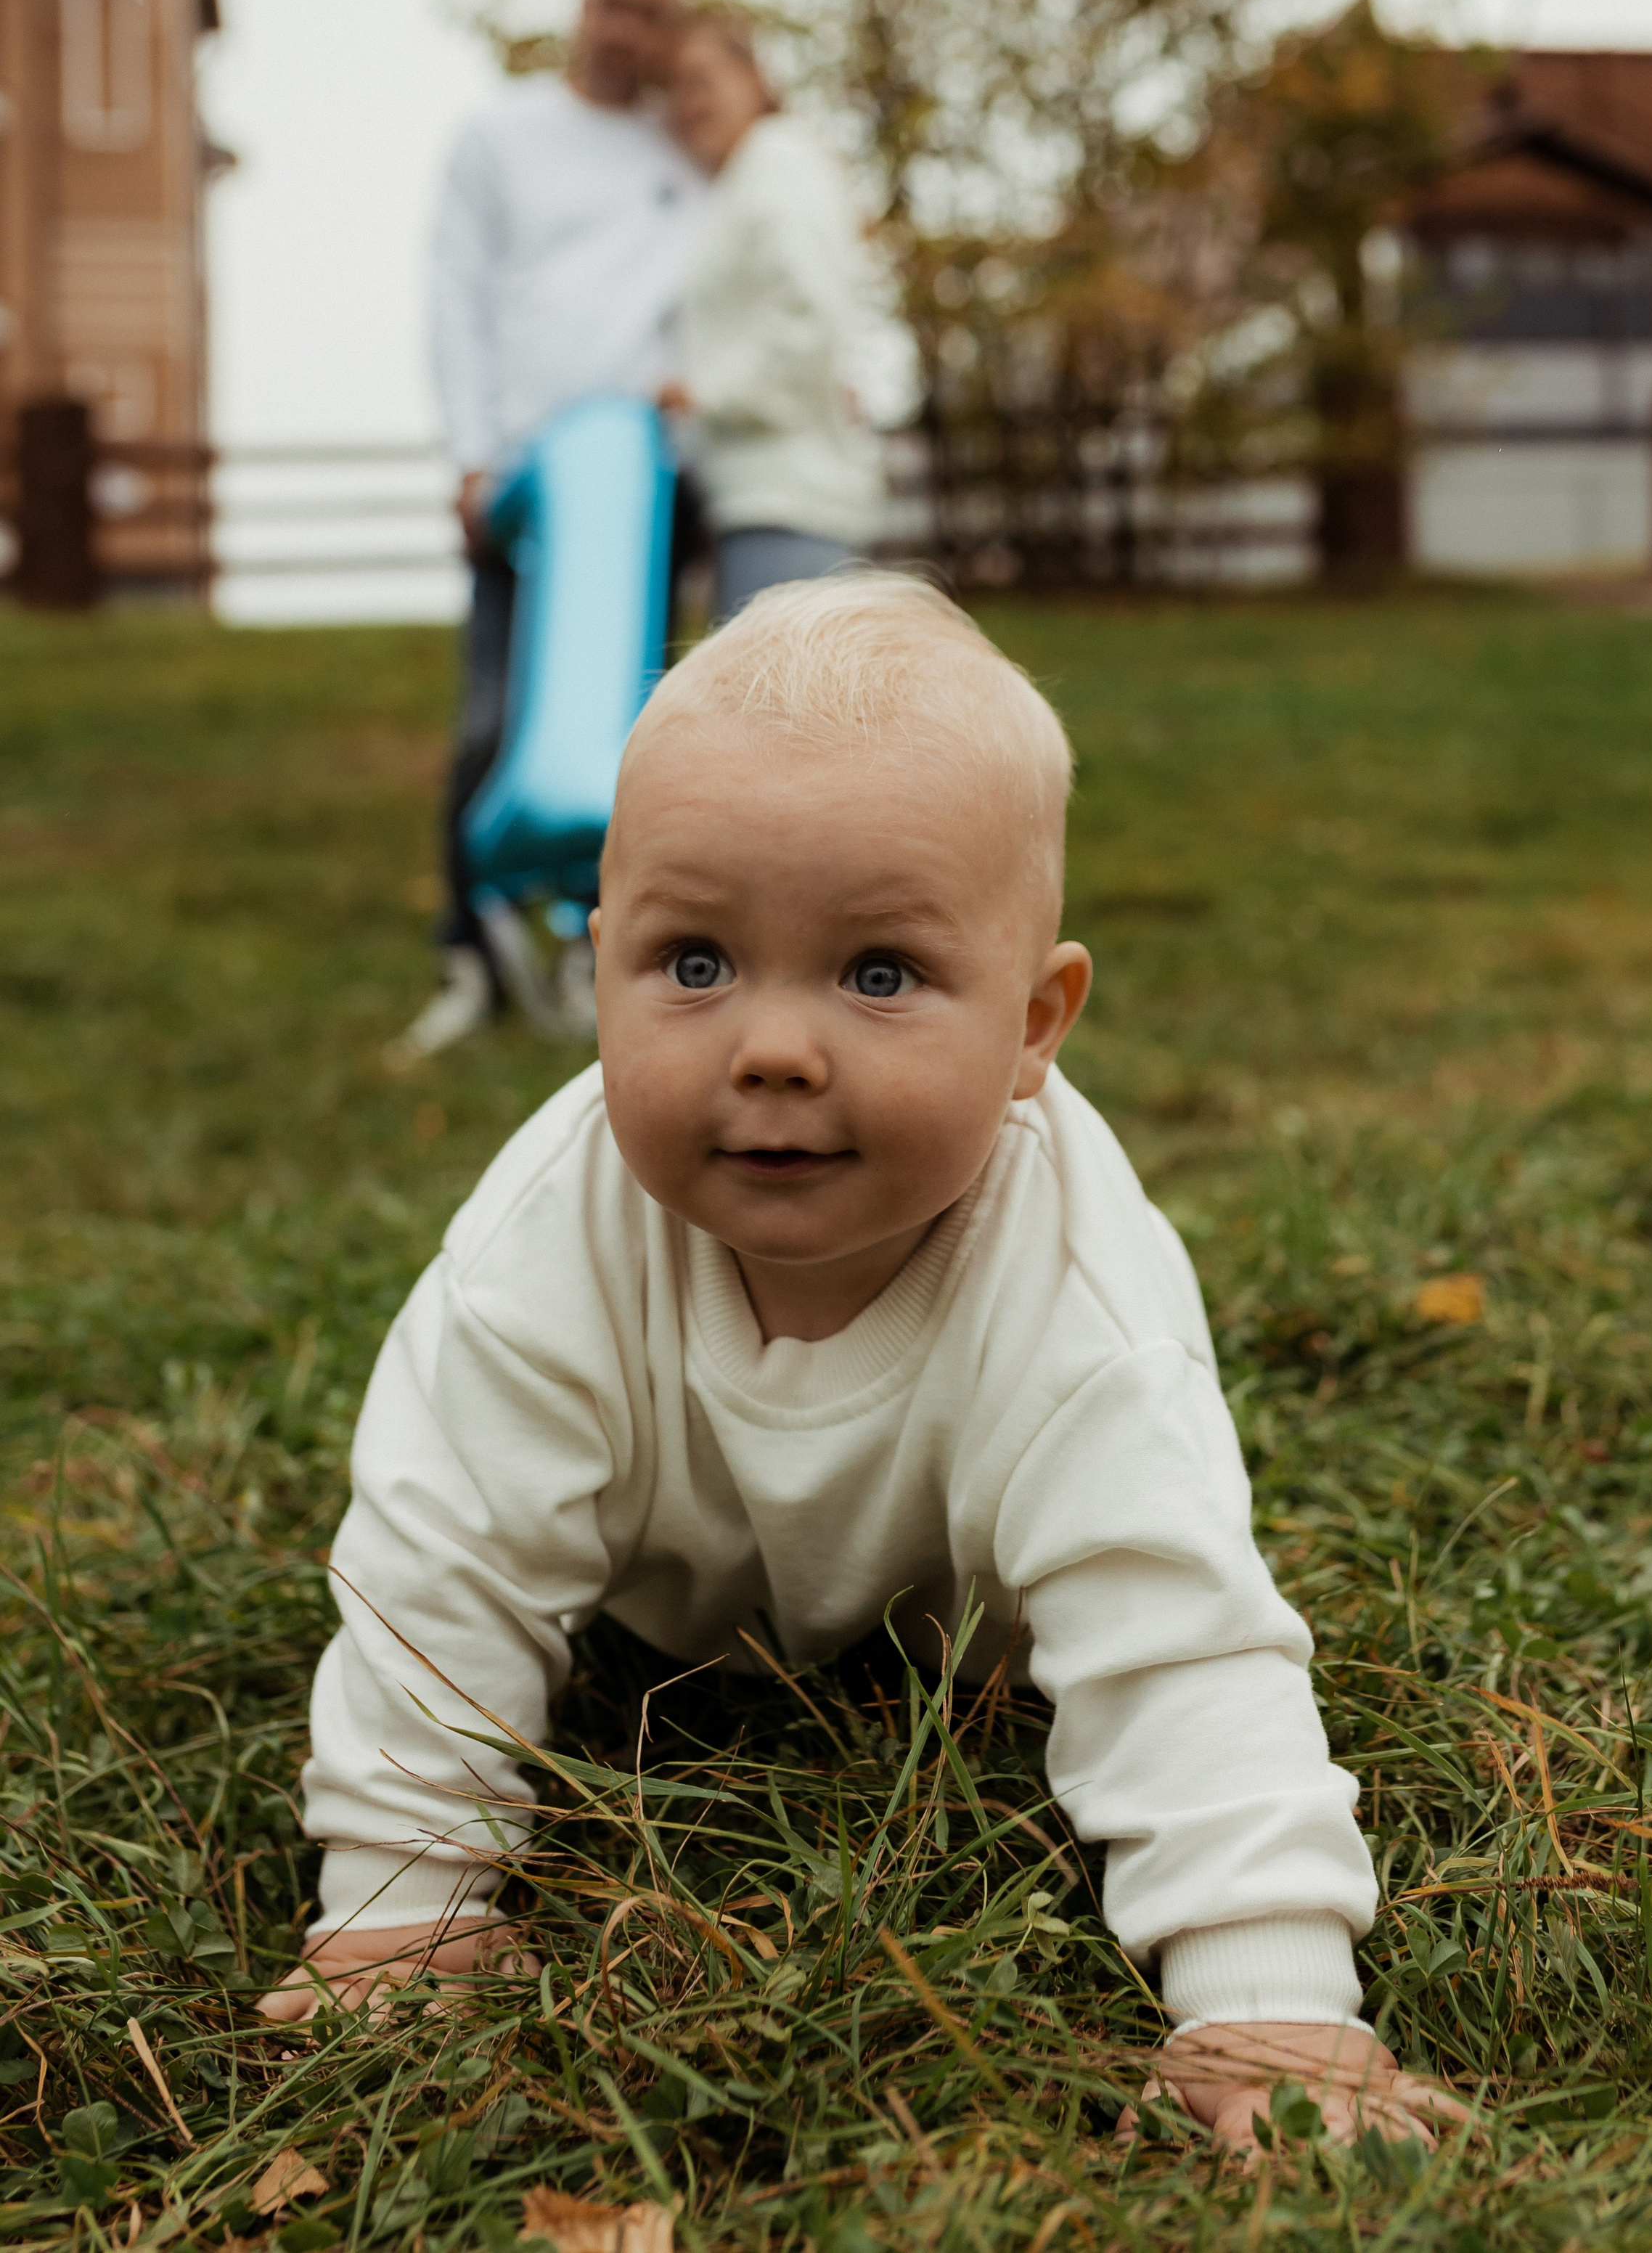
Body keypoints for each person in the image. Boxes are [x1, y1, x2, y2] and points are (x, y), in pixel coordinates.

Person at [262, 574, 1467, 2162]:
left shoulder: (1077, 1299)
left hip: (967, 1623)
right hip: (657, 1618)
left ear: (1035, 1025)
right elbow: (441, 1567)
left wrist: (1269, 2001)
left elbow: (1180, 1643)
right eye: (691, 961)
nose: (771, 1047)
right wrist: (401, 1906)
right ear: (596, 958)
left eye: (879, 973)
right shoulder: (543, 1252)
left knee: (1126, 1593)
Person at [390, 0, 708, 1066]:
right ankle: (470, 953)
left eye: (651, 13)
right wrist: (473, 456)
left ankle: (592, 948)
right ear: (584, 4)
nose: (627, 28)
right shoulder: (502, 138)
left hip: (643, 495)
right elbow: (456, 291)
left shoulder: (682, 148)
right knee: (491, 719)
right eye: (614, 3)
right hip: (527, 488)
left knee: (635, 732)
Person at [661, 12, 919, 623]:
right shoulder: (745, 178)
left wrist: (703, 395)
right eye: (675, 87)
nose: (688, 101)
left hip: (788, 500)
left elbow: (810, 318)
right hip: (756, 498)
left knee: (781, 714)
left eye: (702, 79)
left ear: (754, 75)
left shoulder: (778, 159)